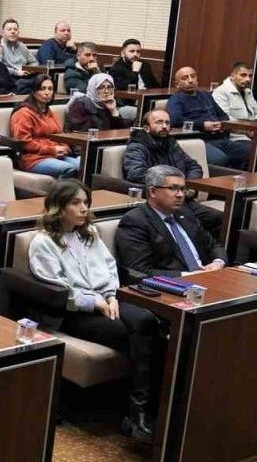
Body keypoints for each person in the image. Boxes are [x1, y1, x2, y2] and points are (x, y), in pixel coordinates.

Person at [28, 180, 161, 443]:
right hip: (72, 312)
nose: (83, 208)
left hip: (106, 300)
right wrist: (95, 303)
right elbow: (56, 288)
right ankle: (139, 410)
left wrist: (111, 295)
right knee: (136, 334)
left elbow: (110, 267)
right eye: (75, 203)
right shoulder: (43, 242)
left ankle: (141, 409)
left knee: (149, 321)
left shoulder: (89, 233)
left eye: (86, 203)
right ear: (58, 207)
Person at [115, 165, 227, 281]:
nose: (180, 195)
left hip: (208, 278)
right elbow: (139, 271)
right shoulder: (135, 221)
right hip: (172, 284)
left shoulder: (186, 213)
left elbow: (213, 245)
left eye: (182, 189)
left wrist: (218, 262)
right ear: (153, 191)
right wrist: (187, 275)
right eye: (173, 188)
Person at [122, 109, 223, 234]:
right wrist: (174, 185)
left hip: (182, 200)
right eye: (159, 122)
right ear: (146, 128)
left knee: (219, 219)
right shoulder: (137, 146)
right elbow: (136, 173)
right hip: (158, 202)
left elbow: (193, 166)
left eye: (167, 122)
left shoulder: (171, 143)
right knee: (194, 223)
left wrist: (187, 185)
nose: (164, 126)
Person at [167, 66, 251, 170]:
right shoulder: (175, 99)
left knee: (250, 152)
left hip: (220, 138)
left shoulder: (205, 95)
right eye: (185, 78)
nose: (190, 80)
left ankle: (237, 177)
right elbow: (175, 121)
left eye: (193, 76)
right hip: (200, 140)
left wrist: (221, 124)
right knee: (220, 159)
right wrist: (203, 125)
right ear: (177, 84)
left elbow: (223, 115)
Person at [11, 75, 78, 177]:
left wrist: (65, 148)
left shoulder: (48, 111)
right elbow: (24, 142)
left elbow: (59, 135)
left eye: (50, 89)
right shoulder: (23, 113)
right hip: (32, 159)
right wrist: (52, 150)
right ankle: (63, 188)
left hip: (54, 155)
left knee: (81, 165)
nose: (47, 93)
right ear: (34, 91)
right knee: (69, 168)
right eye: (43, 89)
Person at [65, 73, 132, 132]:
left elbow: (121, 129)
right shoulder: (80, 104)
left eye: (109, 87)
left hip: (104, 140)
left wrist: (114, 111)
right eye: (101, 87)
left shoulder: (107, 104)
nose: (106, 91)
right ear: (93, 88)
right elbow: (80, 129)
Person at [0, 18, 39, 92]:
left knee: (43, 79)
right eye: (9, 29)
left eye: (15, 29)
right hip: (10, 77)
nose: (13, 32)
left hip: (25, 76)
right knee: (24, 85)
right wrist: (17, 72)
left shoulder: (21, 45)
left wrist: (30, 69)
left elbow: (34, 62)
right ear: (2, 32)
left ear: (18, 32)